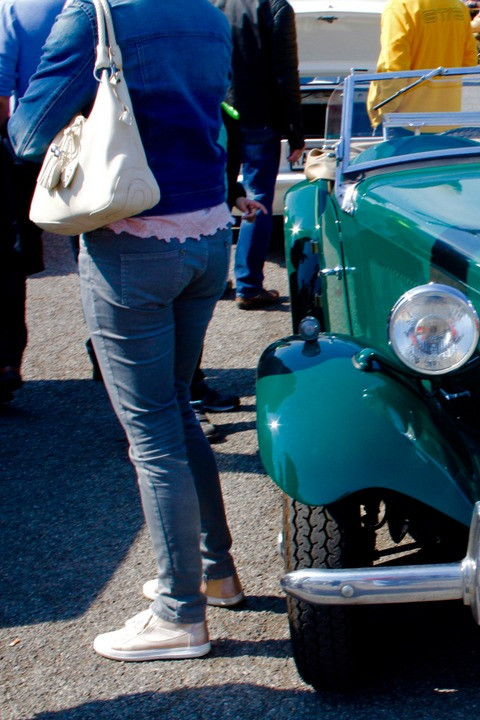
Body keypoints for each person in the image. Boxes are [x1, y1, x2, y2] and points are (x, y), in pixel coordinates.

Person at [9, 0, 244, 661]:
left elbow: (29, 133)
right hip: (207, 229)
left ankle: (180, 614)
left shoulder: (95, 14)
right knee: (175, 410)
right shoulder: (208, 13)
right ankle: (215, 571)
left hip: (131, 234)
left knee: (151, 434)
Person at [214, 0, 304, 311]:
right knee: (258, 197)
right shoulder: (276, 7)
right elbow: (285, 73)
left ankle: (212, 279)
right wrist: (295, 130)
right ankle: (249, 285)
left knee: (218, 194)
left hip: (218, 110)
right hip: (259, 115)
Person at [0, 0, 66, 405]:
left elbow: (3, 98)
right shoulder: (101, 8)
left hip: (25, 151)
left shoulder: (16, 12)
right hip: (93, 150)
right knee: (100, 247)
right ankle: (107, 354)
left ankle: (7, 360)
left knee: (10, 257)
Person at [366, 0, 477, 127]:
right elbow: (469, 62)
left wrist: (383, 113)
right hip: (449, 118)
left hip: (407, 122)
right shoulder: (458, 6)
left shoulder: (399, 7)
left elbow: (395, 68)